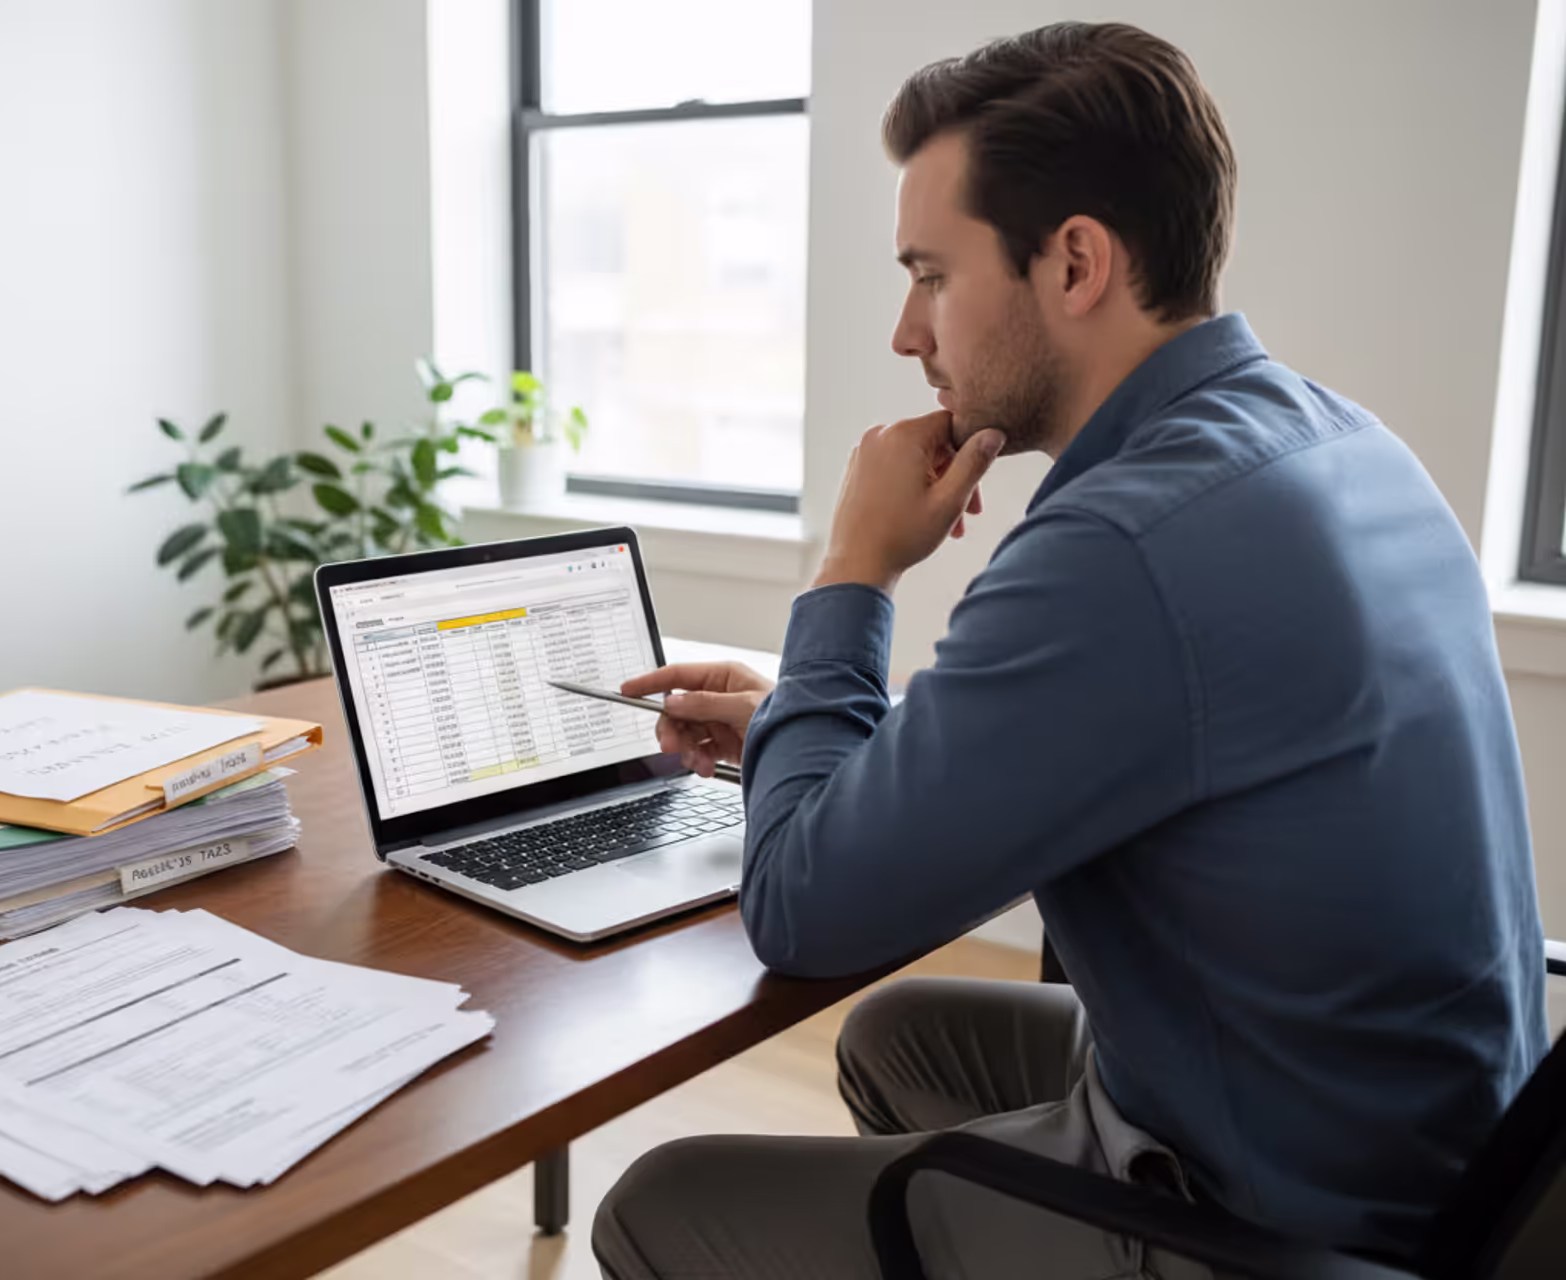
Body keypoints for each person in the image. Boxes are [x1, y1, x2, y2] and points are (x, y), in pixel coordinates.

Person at [591, 19, 1547, 1280]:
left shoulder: (1127, 546)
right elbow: (1089, 734)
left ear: (1077, 262)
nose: (905, 331)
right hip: (1445, 1153)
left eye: (931, 274)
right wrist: (795, 717)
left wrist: (852, 570)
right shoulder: (1338, 439)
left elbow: (800, 904)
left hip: (1282, 1225)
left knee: (662, 1200)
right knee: (901, 1036)